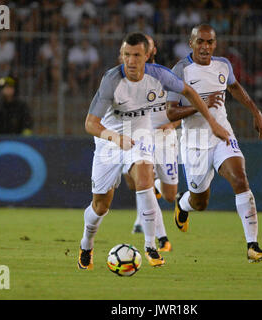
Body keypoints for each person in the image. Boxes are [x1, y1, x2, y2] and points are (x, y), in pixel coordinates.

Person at [78, 32, 230, 270]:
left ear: (147, 56)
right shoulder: (111, 80)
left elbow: (189, 93)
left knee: (145, 179)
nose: (130, 61)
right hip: (109, 140)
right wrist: (117, 138)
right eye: (126, 55)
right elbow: (90, 124)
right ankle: (86, 244)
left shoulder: (158, 75)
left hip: (140, 137)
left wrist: (212, 122)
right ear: (121, 55)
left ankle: (151, 245)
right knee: (100, 206)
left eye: (136, 55)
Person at [166, 24, 262, 263]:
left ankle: (252, 246)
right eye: (200, 42)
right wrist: (200, 104)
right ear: (190, 43)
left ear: (215, 43)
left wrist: (256, 112)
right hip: (194, 144)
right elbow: (170, 113)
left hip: (222, 135)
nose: (205, 47)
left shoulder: (223, 64)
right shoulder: (180, 70)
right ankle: (183, 204)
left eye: (210, 42)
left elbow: (234, 87)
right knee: (199, 202)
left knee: (240, 178)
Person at [124, 35, 179, 252]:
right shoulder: (125, 78)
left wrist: (173, 124)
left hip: (165, 140)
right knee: (137, 183)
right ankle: (162, 239)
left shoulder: (166, 76)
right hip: (140, 139)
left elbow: (180, 106)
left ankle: (158, 190)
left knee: (169, 195)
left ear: (151, 50)